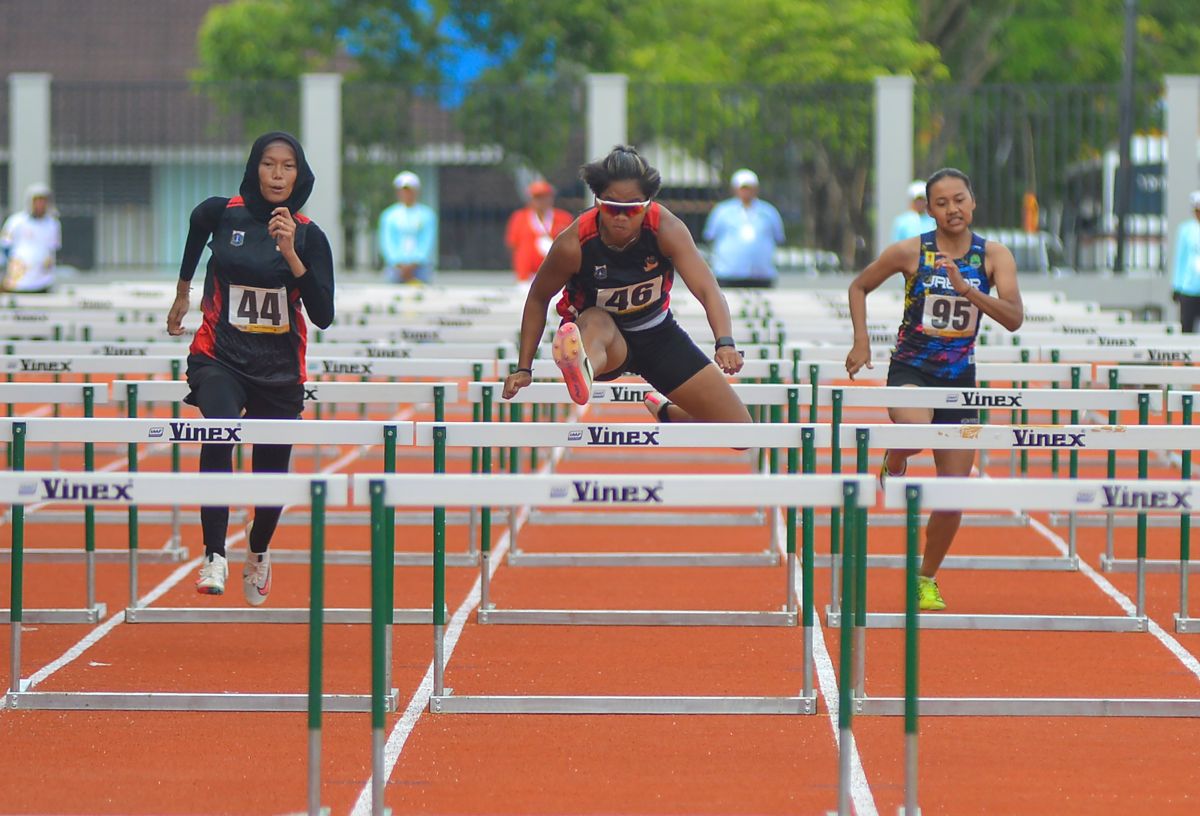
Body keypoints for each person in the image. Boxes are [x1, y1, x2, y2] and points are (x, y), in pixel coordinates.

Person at [166, 131, 335, 603]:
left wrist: (291, 254)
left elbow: (323, 315)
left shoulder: (309, 236)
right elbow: (196, 225)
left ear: (299, 175)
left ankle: (258, 548)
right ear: (254, 168)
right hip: (219, 356)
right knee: (218, 429)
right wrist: (182, 292)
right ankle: (214, 554)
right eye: (268, 164)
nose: (277, 175)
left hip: (279, 370)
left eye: (287, 167)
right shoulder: (224, 214)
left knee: (270, 476)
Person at [845, 168, 1024, 612]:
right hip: (912, 370)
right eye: (941, 203)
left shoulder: (993, 255)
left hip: (960, 381)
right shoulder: (912, 251)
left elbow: (1013, 317)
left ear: (973, 201)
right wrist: (861, 340)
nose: (952, 209)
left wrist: (967, 290)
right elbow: (859, 286)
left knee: (954, 491)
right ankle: (897, 456)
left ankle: (925, 577)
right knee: (916, 431)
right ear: (929, 209)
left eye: (959, 199)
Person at [502, 145, 751, 427]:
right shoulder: (574, 243)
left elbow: (707, 289)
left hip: (658, 336)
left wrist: (725, 342)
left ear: (647, 204)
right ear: (597, 202)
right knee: (597, 320)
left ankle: (668, 414)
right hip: (604, 339)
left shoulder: (666, 229)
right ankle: (583, 369)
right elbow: (538, 297)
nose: (621, 217)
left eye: (632, 209)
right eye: (612, 207)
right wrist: (524, 368)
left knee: (740, 429)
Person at [702, 168, 785, 288]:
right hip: (728, 273)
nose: (746, 192)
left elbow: (778, 238)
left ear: (756, 189)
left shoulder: (768, 212)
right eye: (743, 188)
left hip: (762, 275)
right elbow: (710, 236)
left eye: (749, 188)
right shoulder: (722, 211)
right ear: (735, 189)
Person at [505, 179, 573, 284]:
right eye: (538, 197)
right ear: (531, 199)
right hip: (526, 276)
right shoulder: (519, 218)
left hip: (556, 276)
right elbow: (512, 245)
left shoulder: (564, 218)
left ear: (551, 198)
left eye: (545, 197)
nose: (542, 201)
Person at [0, 183, 61, 293]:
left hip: (42, 281)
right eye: (37, 201)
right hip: (18, 280)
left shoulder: (53, 224)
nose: (40, 204)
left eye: (43, 201)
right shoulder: (16, 221)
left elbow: (53, 248)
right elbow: (5, 246)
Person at [378, 170, 437, 284]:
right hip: (396, 267)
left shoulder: (427, 215)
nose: (407, 194)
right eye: (404, 191)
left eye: (410, 191)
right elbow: (388, 242)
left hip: (420, 268)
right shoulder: (389, 215)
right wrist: (398, 263)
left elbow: (427, 241)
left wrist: (414, 263)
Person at [1172, 190, 1200, 333]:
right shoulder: (1185, 229)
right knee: (1187, 326)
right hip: (1189, 288)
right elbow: (1180, 259)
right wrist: (1176, 285)